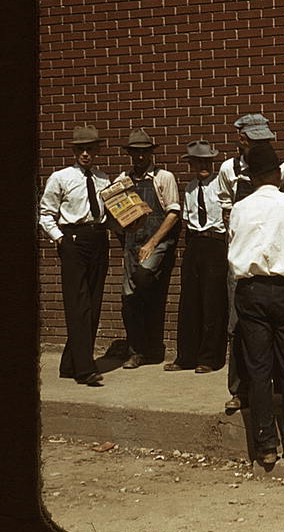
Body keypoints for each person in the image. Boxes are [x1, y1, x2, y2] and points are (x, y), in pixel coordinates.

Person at [228, 143, 284, 465]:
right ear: (278, 174)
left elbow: (233, 241)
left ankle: (265, 445)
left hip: (251, 290)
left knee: (258, 368)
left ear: (251, 177)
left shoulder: (240, 208)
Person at [218, 113, 284, 412]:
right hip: (243, 258)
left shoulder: (283, 171)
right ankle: (240, 389)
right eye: (256, 140)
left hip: (275, 258)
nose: (262, 145)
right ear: (242, 139)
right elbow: (224, 208)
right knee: (237, 325)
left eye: (266, 140)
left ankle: (273, 390)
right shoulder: (229, 170)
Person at [39, 125, 112, 386]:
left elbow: (112, 213)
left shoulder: (104, 179)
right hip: (72, 241)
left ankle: (70, 363)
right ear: (73, 151)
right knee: (78, 304)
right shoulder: (60, 177)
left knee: (92, 305)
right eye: (80, 148)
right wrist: (60, 239)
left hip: (98, 240)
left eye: (90, 148)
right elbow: (46, 214)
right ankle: (84, 369)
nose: (85, 153)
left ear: (97, 150)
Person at [115, 129, 181, 370]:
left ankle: (153, 347)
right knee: (129, 298)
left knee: (144, 280)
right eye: (135, 152)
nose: (140, 157)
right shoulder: (123, 180)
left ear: (150, 153)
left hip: (158, 241)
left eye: (144, 152)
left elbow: (174, 213)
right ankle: (136, 351)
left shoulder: (164, 177)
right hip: (131, 244)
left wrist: (153, 242)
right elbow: (115, 214)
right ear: (130, 154)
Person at [165, 140, 228, 374]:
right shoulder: (190, 188)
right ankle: (186, 356)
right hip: (195, 243)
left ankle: (210, 358)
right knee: (190, 302)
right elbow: (188, 218)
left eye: (206, 161)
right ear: (191, 164)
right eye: (198, 161)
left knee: (213, 302)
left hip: (215, 243)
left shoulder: (220, 186)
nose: (202, 165)